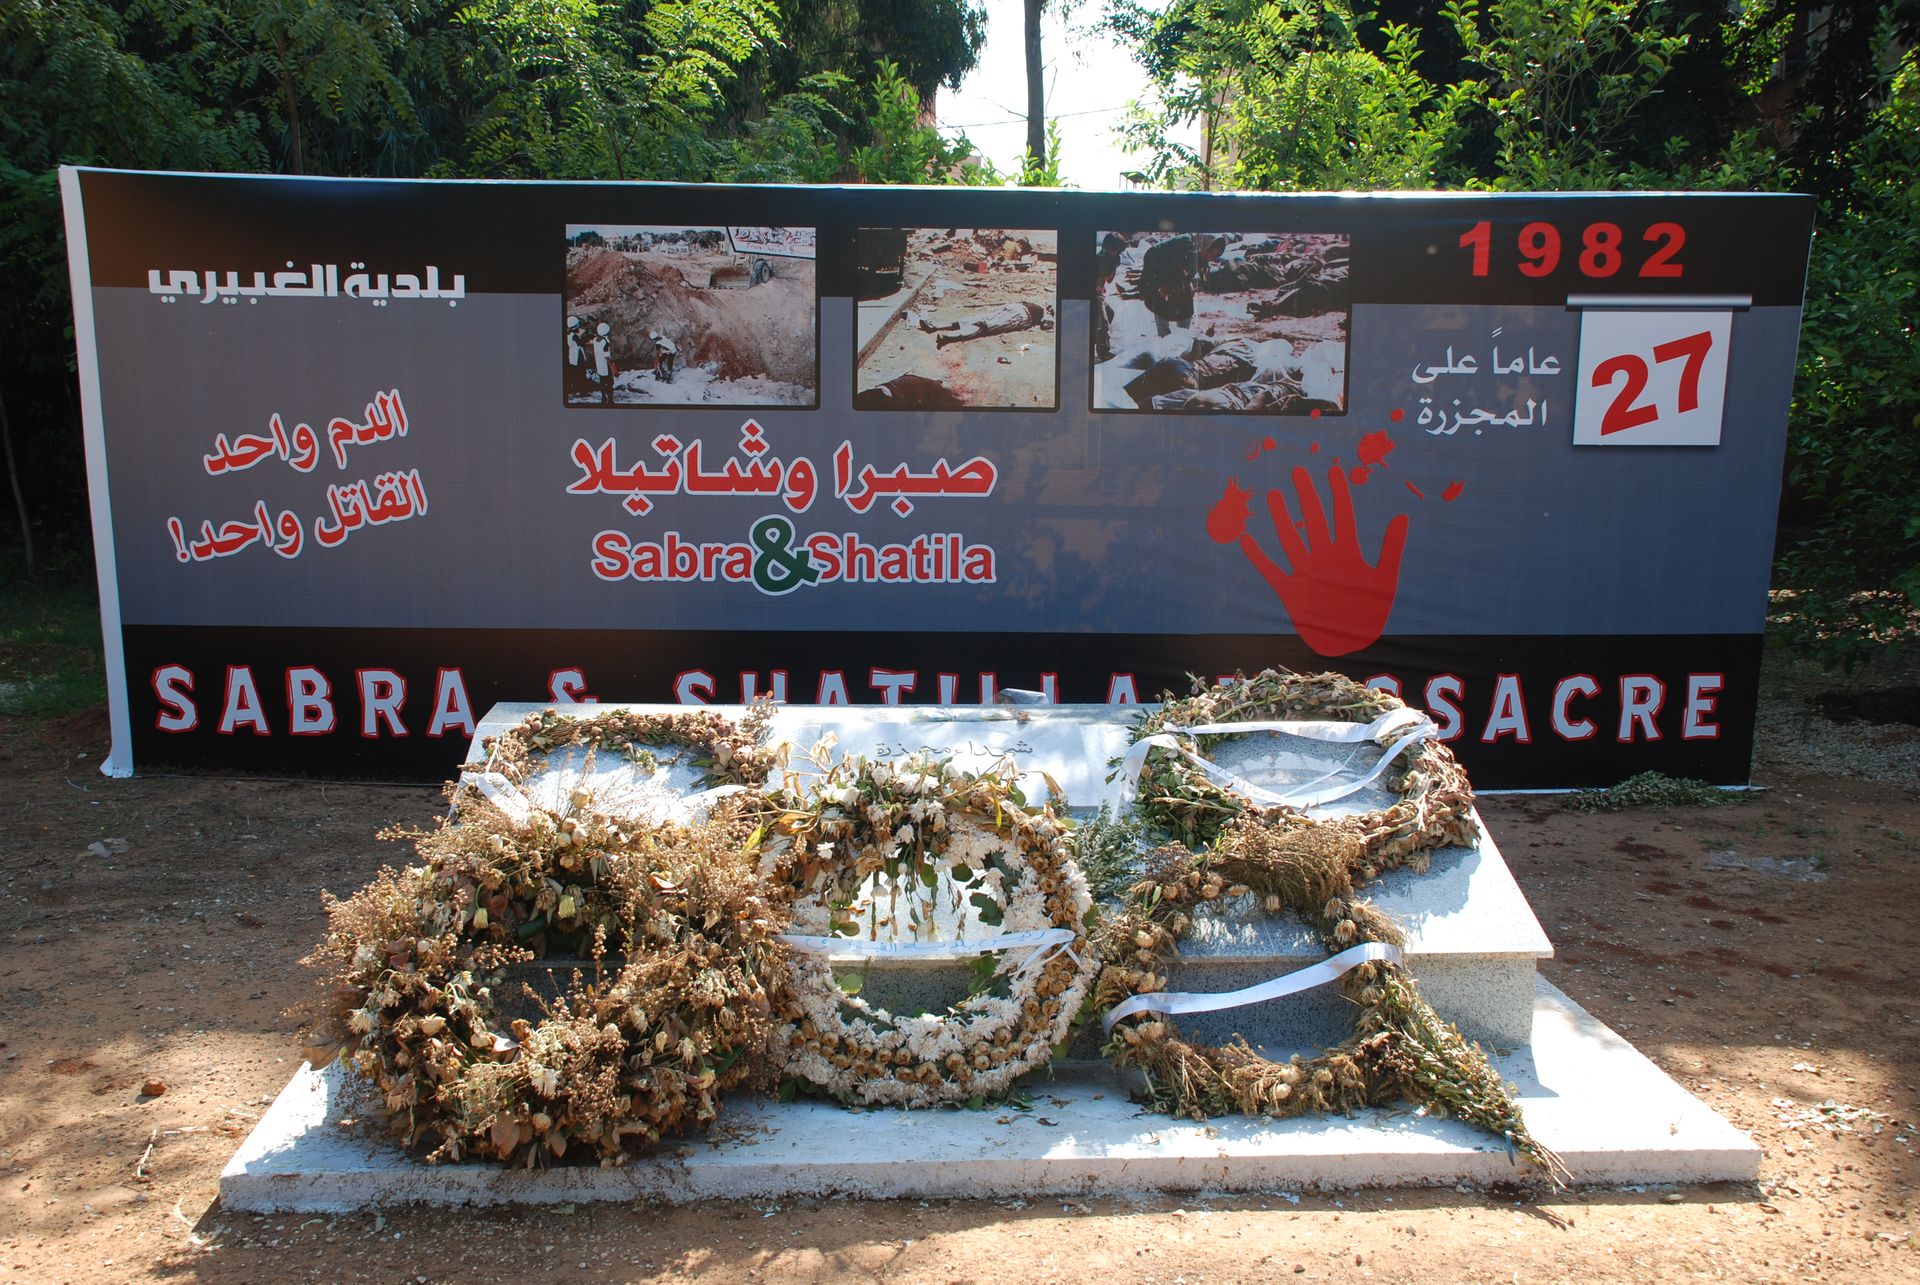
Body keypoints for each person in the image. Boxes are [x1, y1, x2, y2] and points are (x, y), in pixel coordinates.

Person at [930, 300, 1051, 348]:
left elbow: (1045, 325)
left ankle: (941, 332)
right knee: (980, 323)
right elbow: (1045, 325)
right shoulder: (1044, 310)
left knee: (980, 322)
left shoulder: (1044, 312)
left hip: (1017, 312)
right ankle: (940, 331)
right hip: (1017, 311)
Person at [590, 321, 614, 405]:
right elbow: (607, 356)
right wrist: (612, 367)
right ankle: (610, 400)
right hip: (605, 366)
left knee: (602, 382)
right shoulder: (605, 343)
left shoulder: (595, 340)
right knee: (610, 383)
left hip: (599, 364)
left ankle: (603, 398)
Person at [565, 315, 587, 400]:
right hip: (578, 357)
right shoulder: (574, 336)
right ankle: (582, 391)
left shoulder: (569, 335)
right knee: (581, 374)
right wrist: (586, 336)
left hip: (573, 357)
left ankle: (576, 390)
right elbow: (581, 343)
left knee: (576, 374)